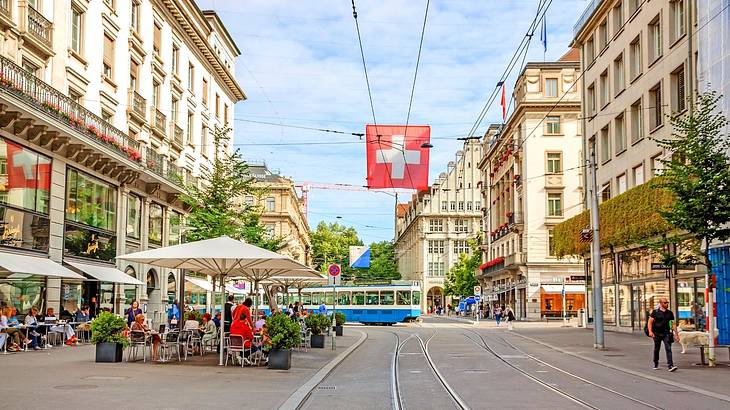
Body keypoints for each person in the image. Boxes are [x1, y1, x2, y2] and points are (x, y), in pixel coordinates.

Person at [648, 297, 679, 372]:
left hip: (666, 333)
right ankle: (656, 363)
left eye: (667, 302)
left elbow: (673, 324)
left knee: (668, 349)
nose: (667, 304)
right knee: (656, 349)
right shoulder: (655, 312)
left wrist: (676, 334)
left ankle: (670, 365)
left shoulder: (670, 313)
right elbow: (650, 322)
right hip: (657, 333)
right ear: (661, 303)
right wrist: (650, 331)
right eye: (665, 303)